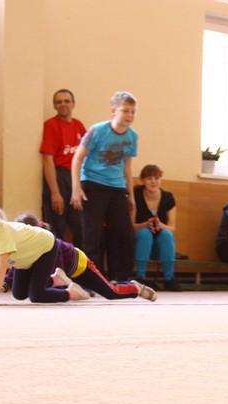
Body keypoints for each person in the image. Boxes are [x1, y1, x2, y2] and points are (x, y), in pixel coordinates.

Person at [0, 190, 88, 305]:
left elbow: (1, 267)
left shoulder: (1, 231)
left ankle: (71, 292)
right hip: (26, 258)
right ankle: (55, 280)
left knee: (37, 296)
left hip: (44, 246)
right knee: (19, 294)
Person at [7, 213, 157, 302]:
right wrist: (6, 283)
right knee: (30, 287)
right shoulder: (24, 248)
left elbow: (57, 269)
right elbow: (17, 266)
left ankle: (135, 288)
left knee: (111, 292)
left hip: (80, 266)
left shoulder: (49, 244)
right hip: (63, 274)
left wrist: (60, 286)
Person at [71, 91, 138, 281]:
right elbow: (78, 158)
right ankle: (92, 279)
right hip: (93, 184)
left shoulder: (133, 136)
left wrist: (131, 195)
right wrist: (76, 187)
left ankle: (121, 278)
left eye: (133, 111)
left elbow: (127, 166)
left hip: (117, 187)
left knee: (123, 234)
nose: (129, 115)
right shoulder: (97, 131)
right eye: (125, 111)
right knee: (92, 234)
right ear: (113, 111)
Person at [40, 88, 86, 246]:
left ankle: (80, 261)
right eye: (59, 102)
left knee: (81, 226)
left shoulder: (79, 126)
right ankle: (56, 260)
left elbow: (86, 156)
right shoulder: (51, 125)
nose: (63, 104)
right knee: (56, 227)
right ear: (54, 105)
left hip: (76, 179)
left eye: (66, 101)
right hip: (59, 178)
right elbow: (47, 160)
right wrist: (55, 192)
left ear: (73, 104)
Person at [132, 164, 178, 291]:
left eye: (156, 178)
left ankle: (169, 278)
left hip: (159, 246)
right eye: (149, 178)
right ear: (142, 180)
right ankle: (140, 276)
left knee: (167, 234)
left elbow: (172, 227)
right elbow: (130, 225)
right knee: (145, 233)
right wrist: (145, 224)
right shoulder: (135, 194)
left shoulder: (168, 197)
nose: (153, 181)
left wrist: (161, 226)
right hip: (139, 243)